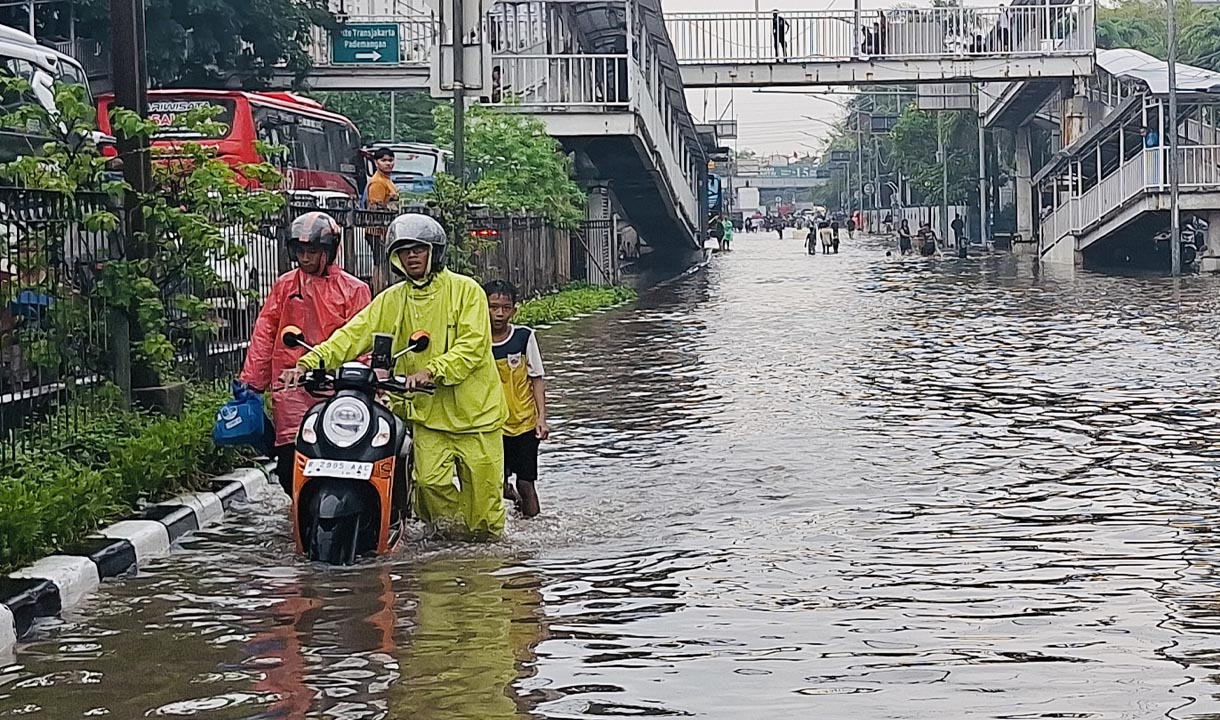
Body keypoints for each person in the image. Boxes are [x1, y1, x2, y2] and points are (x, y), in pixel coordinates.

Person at [289, 213, 510, 539]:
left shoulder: (467, 292)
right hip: (428, 416)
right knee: (428, 485)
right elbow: (354, 334)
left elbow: (473, 346)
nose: (412, 256)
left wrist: (433, 370)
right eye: (404, 251)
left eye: (418, 249)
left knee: (486, 504)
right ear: (395, 257)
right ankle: (457, 541)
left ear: (434, 252)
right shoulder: (393, 299)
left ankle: (488, 559)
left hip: (477, 417)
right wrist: (311, 361)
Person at [238, 212, 373, 495]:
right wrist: (251, 383)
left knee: (346, 459)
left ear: (328, 251)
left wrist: (359, 379)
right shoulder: (285, 286)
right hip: (291, 386)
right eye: (300, 251)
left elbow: (362, 340)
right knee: (289, 465)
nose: (305, 258)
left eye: (312, 251)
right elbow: (265, 332)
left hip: (338, 388)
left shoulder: (354, 290)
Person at [484, 280, 549, 518]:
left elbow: (537, 379)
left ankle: (535, 528)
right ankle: (511, 500)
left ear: (514, 310)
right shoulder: (475, 342)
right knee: (496, 485)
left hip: (523, 423)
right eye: (492, 307)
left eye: (505, 307)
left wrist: (541, 418)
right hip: (490, 425)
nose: (499, 313)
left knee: (526, 483)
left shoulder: (524, 337)